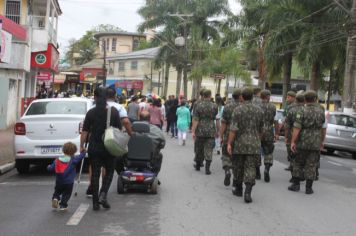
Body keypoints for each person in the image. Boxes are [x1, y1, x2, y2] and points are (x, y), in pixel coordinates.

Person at [80, 87, 121, 211]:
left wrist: (81, 146)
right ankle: (103, 194)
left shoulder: (91, 113)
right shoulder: (114, 112)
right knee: (109, 171)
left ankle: (95, 204)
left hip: (94, 147)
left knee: (95, 174)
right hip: (109, 147)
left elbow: (85, 131)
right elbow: (119, 130)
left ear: (95, 97)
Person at [227, 87, 264, 203]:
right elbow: (261, 129)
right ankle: (248, 191)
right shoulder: (259, 110)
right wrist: (258, 140)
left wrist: (229, 143)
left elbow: (233, 129)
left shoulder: (237, 110)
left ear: (242, 97)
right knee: (250, 167)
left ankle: (238, 189)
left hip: (240, 143)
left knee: (238, 166)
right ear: (252, 97)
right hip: (254, 143)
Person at [289, 90, 326, 194]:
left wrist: (293, 142)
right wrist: (322, 141)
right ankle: (309, 188)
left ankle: (296, 185)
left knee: (298, 163)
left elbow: (297, 128)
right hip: (316, 141)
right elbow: (323, 128)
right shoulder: (321, 111)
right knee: (312, 164)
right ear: (315, 99)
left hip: (303, 141)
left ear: (305, 99)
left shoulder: (301, 111)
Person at [47, 142, 86, 210]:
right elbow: (81, 157)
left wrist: (48, 166)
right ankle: (63, 205)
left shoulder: (57, 159)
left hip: (59, 181)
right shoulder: (73, 159)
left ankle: (55, 198)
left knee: (57, 191)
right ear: (74, 151)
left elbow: (50, 168)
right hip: (69, 182)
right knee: (66, 194)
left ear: (63, 150)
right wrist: (83, 152)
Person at [191, 89, 218, 175]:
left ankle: (198, 165)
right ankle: (207, 168)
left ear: (203, 95)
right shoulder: (215, 106)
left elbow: (196, 119)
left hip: (200, 130)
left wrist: (193, 131)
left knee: (199, 148)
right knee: (209, 149)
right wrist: (217, 131)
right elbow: (216, 118)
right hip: (211, 129)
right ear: (210, 95)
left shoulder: (198, 105)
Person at [220, 89, 242, 188]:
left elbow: (223, 123)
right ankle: (235, 179)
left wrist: (221, 135)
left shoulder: (227, 106)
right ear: (240, 96)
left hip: (228, 134)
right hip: (240, 135)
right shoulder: (243, 106)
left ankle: (227, 170)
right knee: (237, 158)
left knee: (226, 154)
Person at [284, 91, 305, 182]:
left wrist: (286, 137)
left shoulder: (291, 109)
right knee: (302, 156)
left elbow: (287, 125)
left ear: (295, 99)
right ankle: (302, 173)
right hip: (304, 136)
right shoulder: (305, 109)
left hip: (292, 133)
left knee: (293, 155)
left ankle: (295, 176)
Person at [260, 90, 278, 183]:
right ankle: (267, 169)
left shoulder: (256, 106)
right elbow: (276, 121)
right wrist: (277, 133)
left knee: (257, 151)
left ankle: (256, 171)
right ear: (268, 97)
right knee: (269, 152)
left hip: (258, 131)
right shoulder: (273, 107)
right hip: (269, 131)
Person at [283, 91, 296, 171]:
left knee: (291, 148)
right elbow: (285, 115)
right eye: (287, 97)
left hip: (292, 129)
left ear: (294, 98)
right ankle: (291, 164)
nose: (287, 99)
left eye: (289, 97)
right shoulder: (287, 105)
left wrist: (286, 135)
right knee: (289, 148)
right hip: (289, 128)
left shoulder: (293, 107)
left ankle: (294, 165)